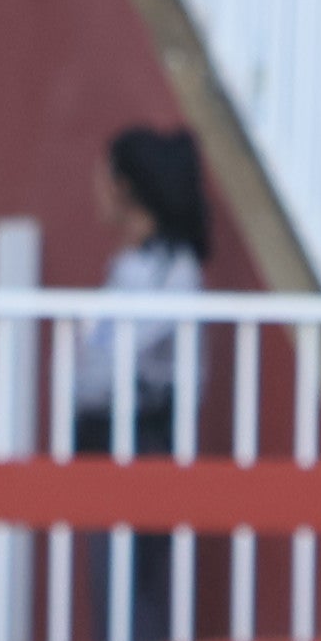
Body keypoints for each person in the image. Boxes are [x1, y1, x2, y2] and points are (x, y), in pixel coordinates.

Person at [72, 124, 209, 454]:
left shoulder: (171, 269)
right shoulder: (135, 264)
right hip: (105, 430)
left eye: (104, 178)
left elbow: (117, 350)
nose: (96, 190)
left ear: (124, 187)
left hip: (141, 436)